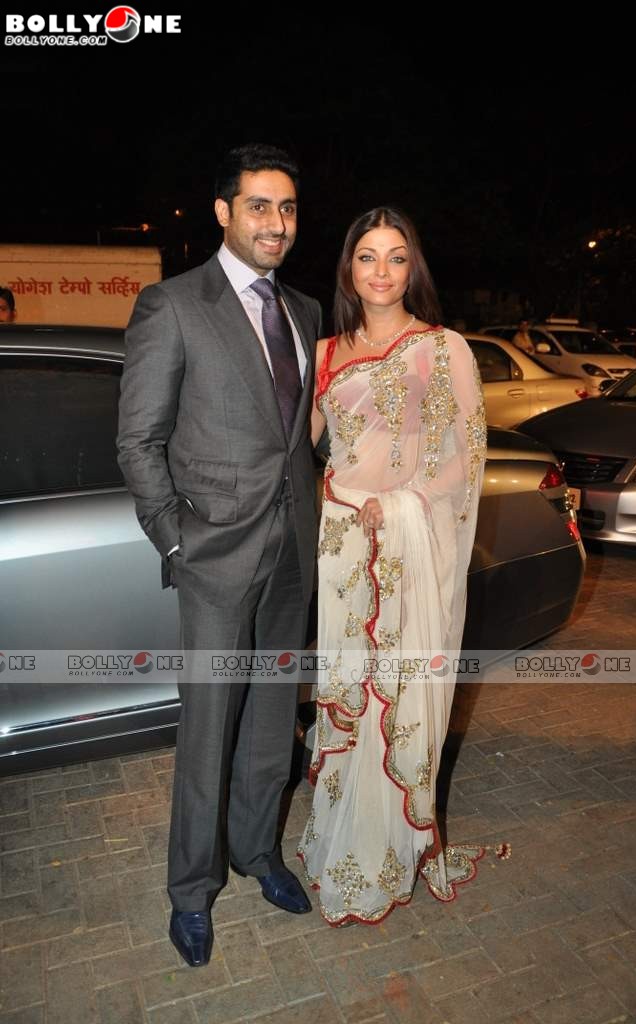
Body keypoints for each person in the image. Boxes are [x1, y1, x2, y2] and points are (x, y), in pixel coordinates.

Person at [117, 144, 323, 967]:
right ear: (223, 212)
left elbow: (295, 438)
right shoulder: (172, 304)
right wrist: (177, 539)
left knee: (272, 723)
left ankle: (258, 851)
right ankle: (192, 892)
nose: (277, 223)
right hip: (215, 558)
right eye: (261, 206)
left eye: (289, 209)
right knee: (208, 730)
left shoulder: (305, 311)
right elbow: (139, 441)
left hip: (291, 557)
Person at [297, 207, 490, 925]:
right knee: (346, 693)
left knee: (398, 695)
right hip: (342, 550)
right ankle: (343, 839)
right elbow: (296, 451)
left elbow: (461, 464)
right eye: (367, 256)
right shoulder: (320, 353)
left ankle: (389, 850)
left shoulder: (444, 350)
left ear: (415, 268)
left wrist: (401, 502)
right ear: (348, 267)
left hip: (405, 548)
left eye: (396, 256)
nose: (381, 271)